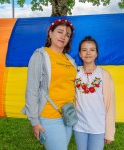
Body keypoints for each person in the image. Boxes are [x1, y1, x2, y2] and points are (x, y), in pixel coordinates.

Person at [22, 19, 77, 150]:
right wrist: (34, 121)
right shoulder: (40, 55)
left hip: (68, 115)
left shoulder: (70, 60)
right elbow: (32, 89)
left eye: (67, 35)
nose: (64, 36)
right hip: (49, 115)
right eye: (60, 32)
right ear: (50, 33)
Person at [73, 36, 115, 150]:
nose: (88, 53)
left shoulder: (104, 75)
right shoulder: (75, 74)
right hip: (79, 126)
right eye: (84, 50)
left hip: (98, 127)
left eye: (92, 49)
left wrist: (109, 132)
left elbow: (110, 105)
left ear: (96, 53)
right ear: (80, 54)